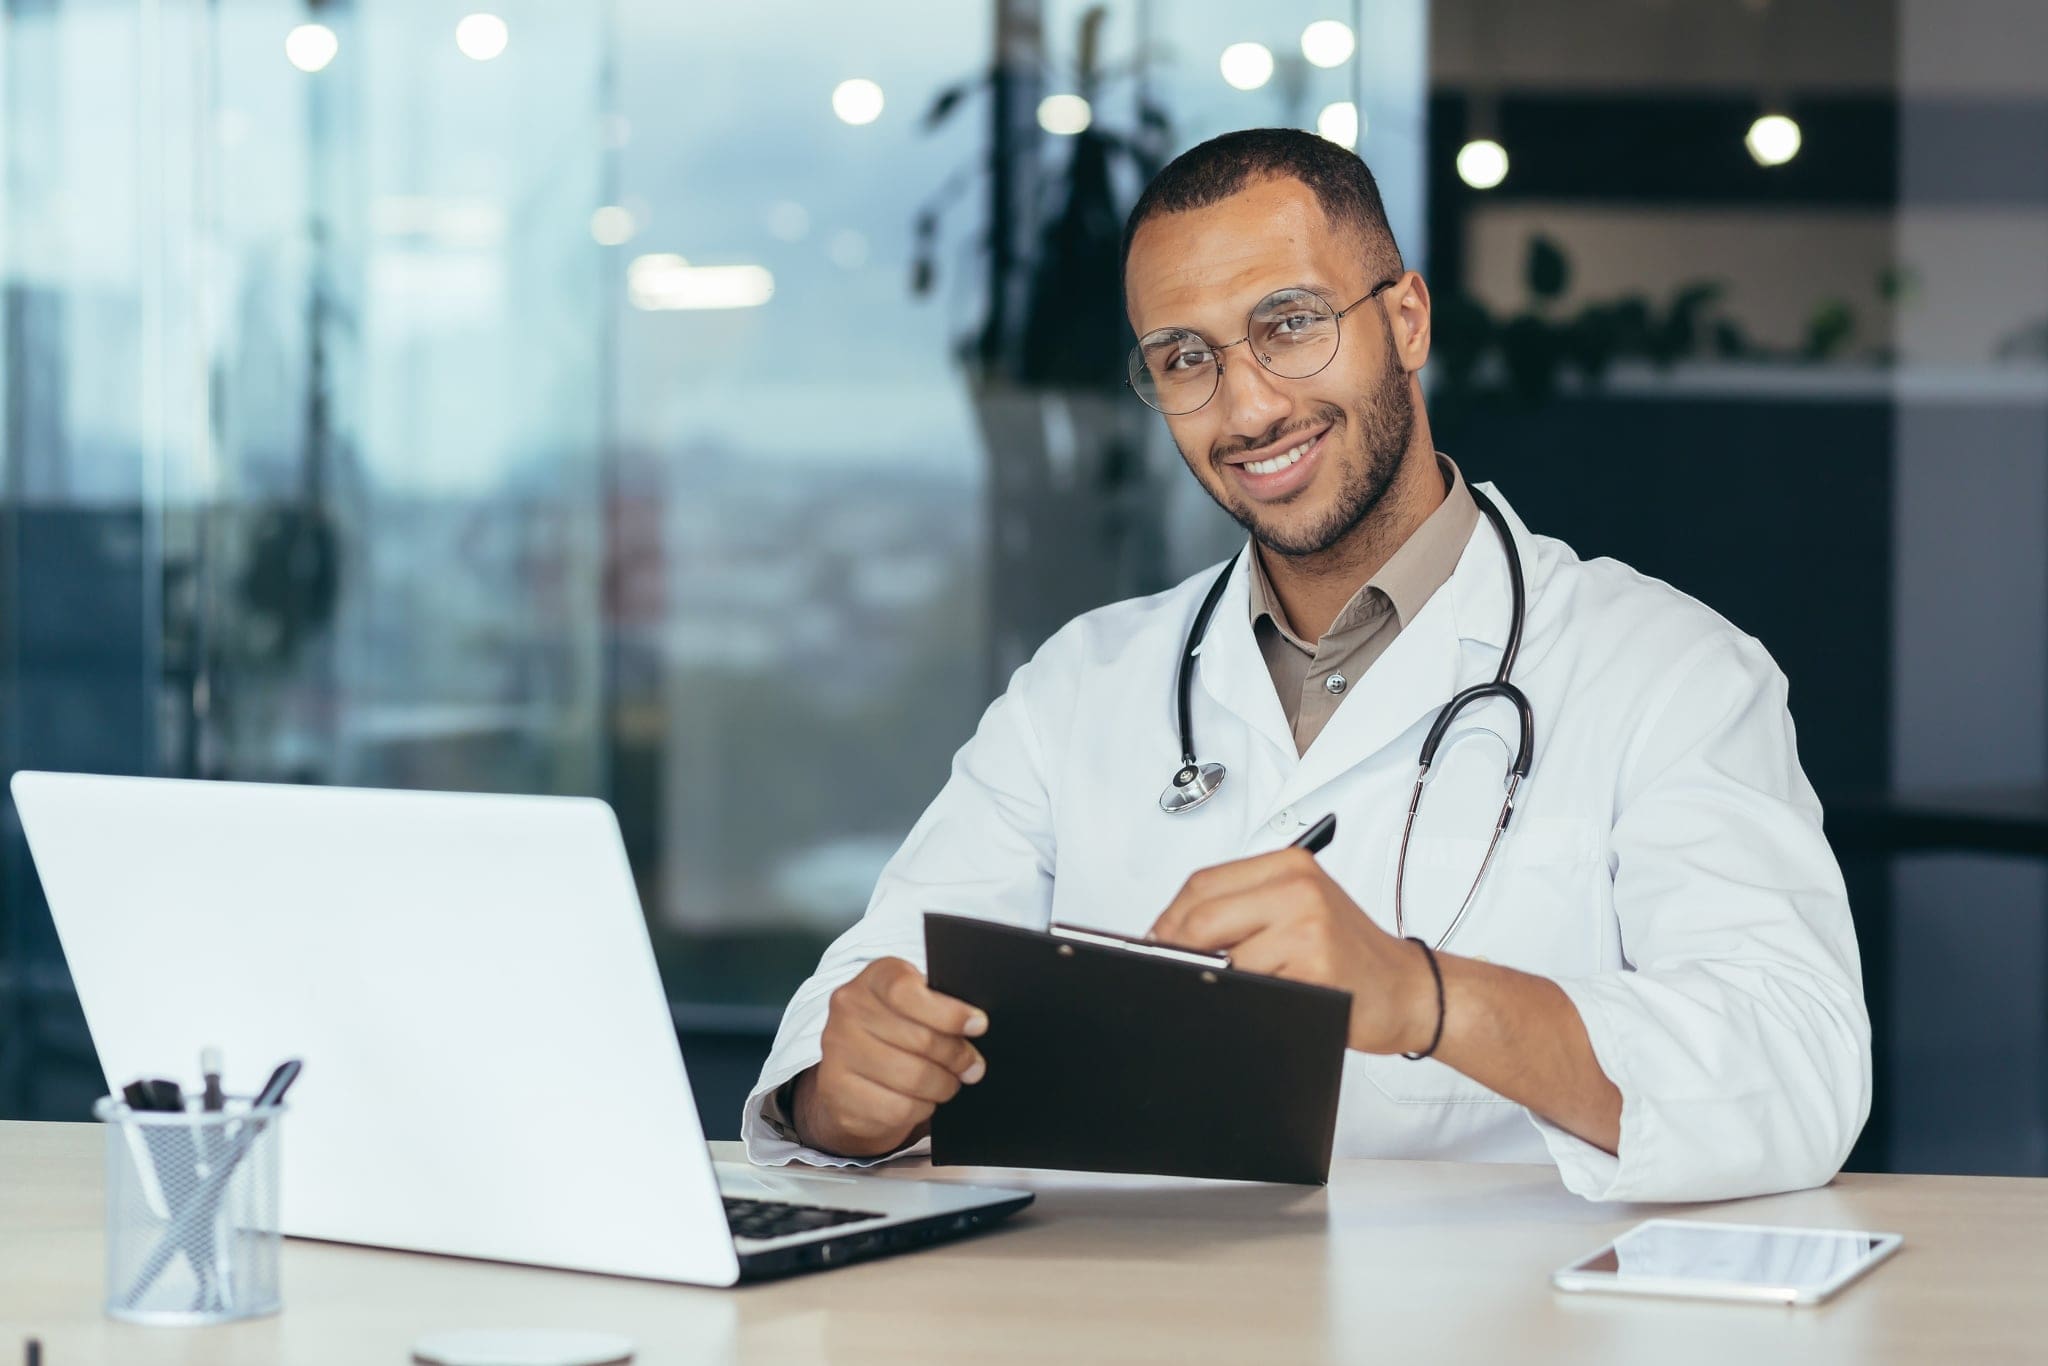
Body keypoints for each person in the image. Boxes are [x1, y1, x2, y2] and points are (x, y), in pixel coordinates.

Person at [741, 128, 1870, 1202]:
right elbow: (857, 1018)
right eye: (1183, 358)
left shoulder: (1667, 670)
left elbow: (1798, 1066)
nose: (1246, 405)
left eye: (1288, 324)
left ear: (1408, 319)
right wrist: (849, 1093)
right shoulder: (1078, 687)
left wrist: (1419, 996)